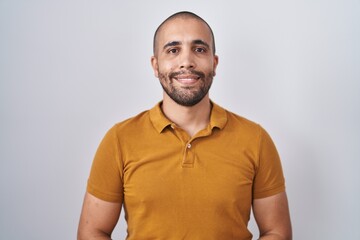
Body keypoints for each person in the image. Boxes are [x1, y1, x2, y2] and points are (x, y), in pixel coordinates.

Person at [77, 11, 292, 240]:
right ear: (156, 65)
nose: (187, 62)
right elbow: (92, 231)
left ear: (214, 62)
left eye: (199, 49)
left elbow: (277, 232)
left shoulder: (255, 139)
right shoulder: (119, 140)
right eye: (173, 50)